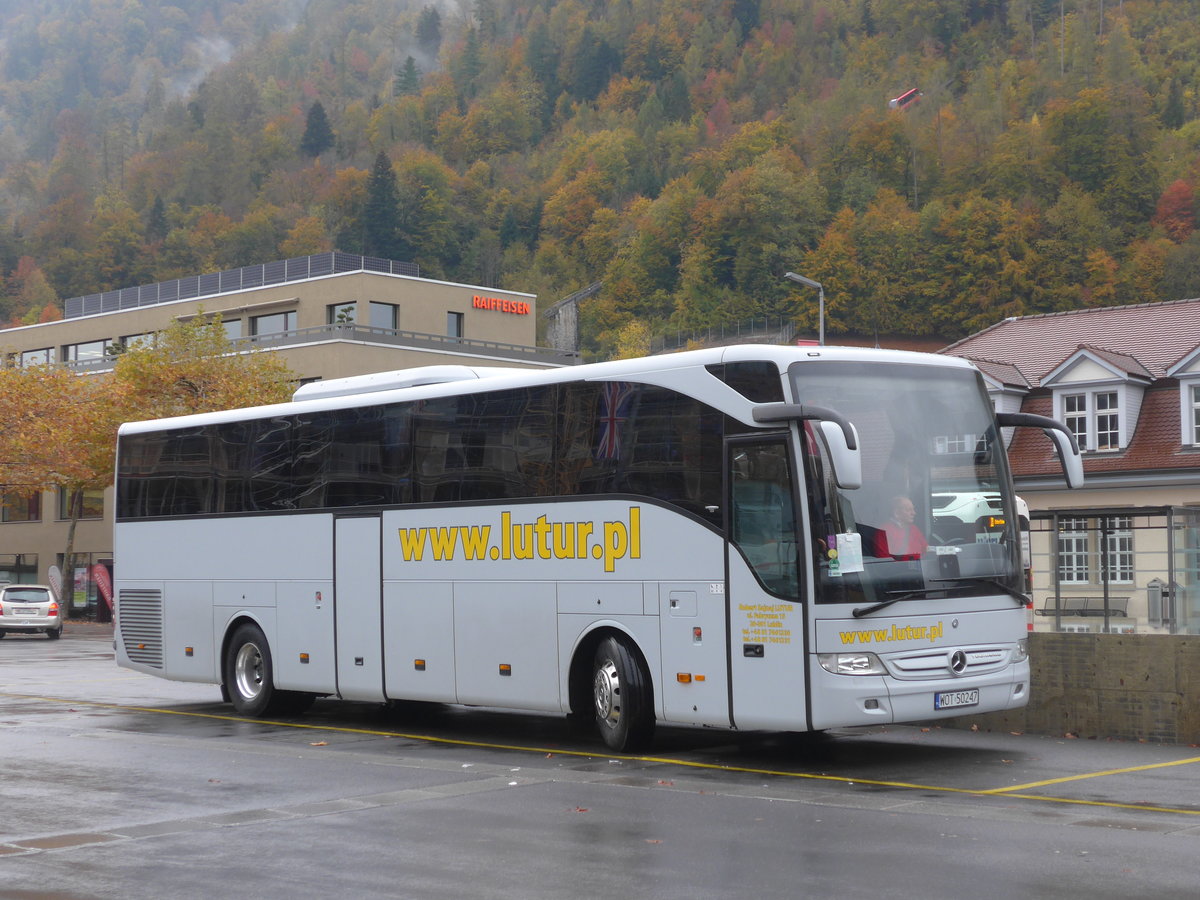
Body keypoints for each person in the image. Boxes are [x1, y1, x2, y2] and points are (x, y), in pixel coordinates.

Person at [873, 495, 927, 560]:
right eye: (908, 510)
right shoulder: (884, 531)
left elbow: (926, 549)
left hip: (919, 567)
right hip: (899, 569)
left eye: (913, 509)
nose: (914, 513)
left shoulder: (914, 529)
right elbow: (883, 561)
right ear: (896, 513)